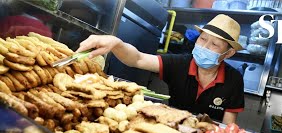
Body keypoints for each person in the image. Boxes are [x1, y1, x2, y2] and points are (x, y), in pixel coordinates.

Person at [77, 14, 245, 124]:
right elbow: (138, 58)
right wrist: (116, 44)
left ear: (228, 53)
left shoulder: (234, 79)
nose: (205, 47)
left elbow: (229, 127)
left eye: (214, 44)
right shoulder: (180, 63)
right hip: (171, 128)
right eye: (202, 39)